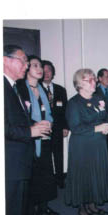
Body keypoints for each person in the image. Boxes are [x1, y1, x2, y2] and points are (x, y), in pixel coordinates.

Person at [4, 45, 51, 215]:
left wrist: (36, 125)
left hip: (20, 159)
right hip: (12, 161)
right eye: (23, 61)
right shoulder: (3, 87)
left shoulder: (12, 86)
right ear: (6, 61)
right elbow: (3, 126)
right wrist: (31, 131)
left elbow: (20, 118)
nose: (26, 65)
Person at [64, 68, 108, 215]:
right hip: (82, 146)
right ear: (80, 84)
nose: (95, 82)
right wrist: (97, 128)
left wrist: (106, 126)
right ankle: (82, 209)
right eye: (90, 80)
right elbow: (75, 127)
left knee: (96, 175)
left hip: (98, 144)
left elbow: (104, 117)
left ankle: (92, 205)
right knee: (84, 177)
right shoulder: (74, 103)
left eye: (94, 79)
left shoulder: (98, 98)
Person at [17, 56, 57, 215]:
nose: (39, 68)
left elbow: (47, 112)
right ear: (27, 69)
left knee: (45, 174)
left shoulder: (41, 89)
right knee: (32, 176)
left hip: (44, 137)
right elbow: (19, 115)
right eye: (34, 65)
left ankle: (43, 206)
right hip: (29, 138)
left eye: (40, 65)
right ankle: (30, 210)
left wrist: (49, 124)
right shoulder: (21, 88)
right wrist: (36, 125)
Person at [41, 60, 69, 188]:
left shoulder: (60, 90)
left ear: (53, 73)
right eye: (44, 71)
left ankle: (59, 179)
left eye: (49, 71)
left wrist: (66, 127)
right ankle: (48, 181)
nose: (47, 73)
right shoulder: (36, 89)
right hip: (43, 129)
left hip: (58, 128)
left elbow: (65, 110)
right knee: (45, 157)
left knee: (59, 155)